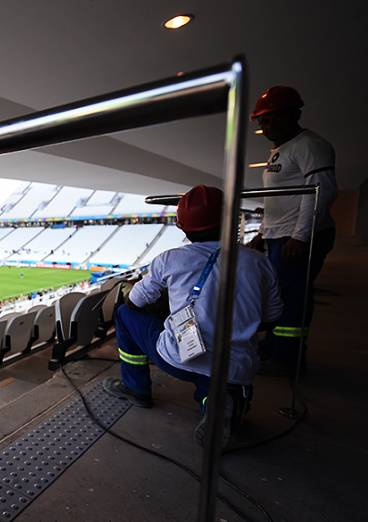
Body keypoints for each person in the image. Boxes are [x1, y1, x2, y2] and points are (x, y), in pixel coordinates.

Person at [102, 185, 282, 445]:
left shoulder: (170, 260)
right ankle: (218, 404)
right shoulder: (259, 262)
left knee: (123, 315)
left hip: (178, 358)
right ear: (229, 220)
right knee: (217, 379)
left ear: (182, 227)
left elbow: (134, 303)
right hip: (235, 367)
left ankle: (136, 388)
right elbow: (273, 317)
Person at [246, 86, 338, 375]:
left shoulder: (310, 145)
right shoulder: (280, 151)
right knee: (278, 295)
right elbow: (278, 199)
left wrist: (300, 235)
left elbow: (321, 192)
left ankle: (288, 359)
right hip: (279, 235)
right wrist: (264, 231)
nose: (265, 125)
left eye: (270, 118)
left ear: (293, 114)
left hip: (297, 237)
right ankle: (274, 347)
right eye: (261, 120)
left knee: (292, 297)